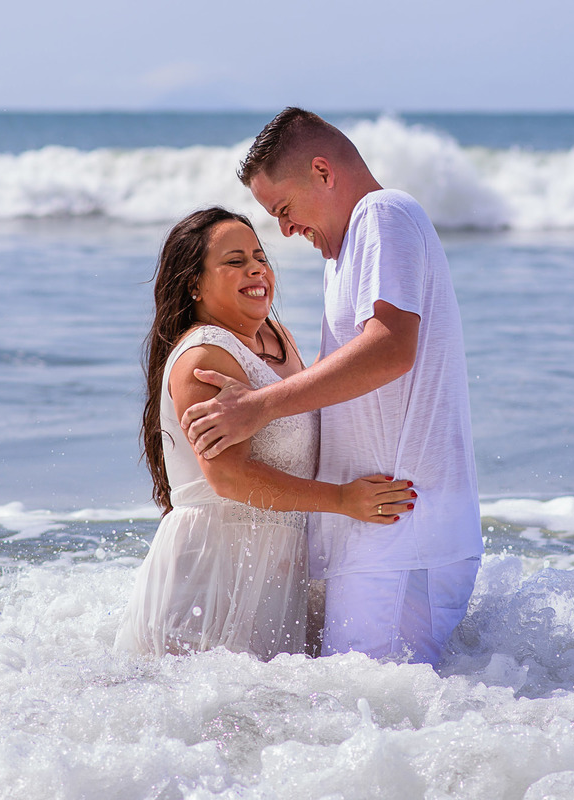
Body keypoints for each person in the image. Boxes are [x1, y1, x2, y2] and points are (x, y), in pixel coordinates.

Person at [181, 109, 483, 668]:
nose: (286, 231)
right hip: (376, 534)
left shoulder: (383, 215)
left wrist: (259, 406)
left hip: (400, 533)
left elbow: (391, 348)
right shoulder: (343, 253)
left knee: (375, 721)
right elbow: (339, 371)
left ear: (323, 171)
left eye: (284, 210)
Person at [116, 207, 417, 660]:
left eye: (260, 256)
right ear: (194, 284)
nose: (256, 268)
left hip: (271, 574)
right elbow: (228, 479)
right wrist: (342, 500)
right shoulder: (205, 355)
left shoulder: (278, 337)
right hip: (212, 576)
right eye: (234, 261)